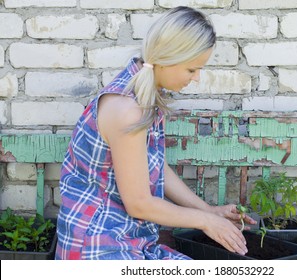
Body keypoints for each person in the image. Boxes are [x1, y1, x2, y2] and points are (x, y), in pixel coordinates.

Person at [55, 6, 256, 260]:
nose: (196, 79)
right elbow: (138, 203)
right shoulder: (128, 109)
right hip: (97, 246)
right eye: (192, 69)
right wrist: (206, 221)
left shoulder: (142, 93)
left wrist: (210, 211)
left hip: (128, 238)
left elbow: (155, 166)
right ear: (168, 58)